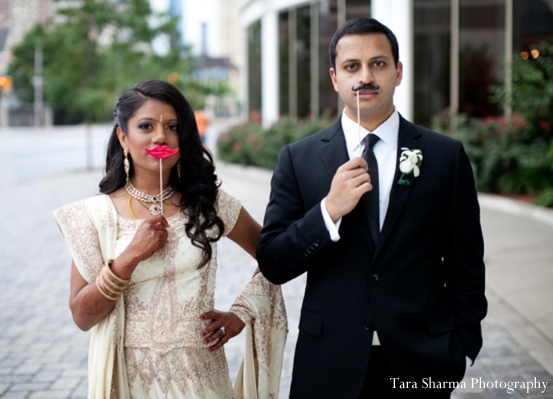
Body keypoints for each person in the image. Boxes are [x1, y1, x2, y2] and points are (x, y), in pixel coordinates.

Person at [257, 18, 487, 398]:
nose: (365, 76)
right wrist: (328, 211)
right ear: (334, 77)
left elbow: (466, 262)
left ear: (398, 72)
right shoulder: (298, 159)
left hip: (422, 360)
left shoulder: (445, 155)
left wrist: (462, 345)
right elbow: (274, 261)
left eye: (378, 64)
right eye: (352, 66)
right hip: (329, 361)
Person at [54, 80, 287, 399]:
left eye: (172, 126)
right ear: (124, 136)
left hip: (201, 381)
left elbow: (275, 254)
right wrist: (129, 258)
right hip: (130, 382)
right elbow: (82, 316)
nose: (160, 136)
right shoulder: (95, 217)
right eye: (146, 126)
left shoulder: (209, 203)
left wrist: (242, 313)